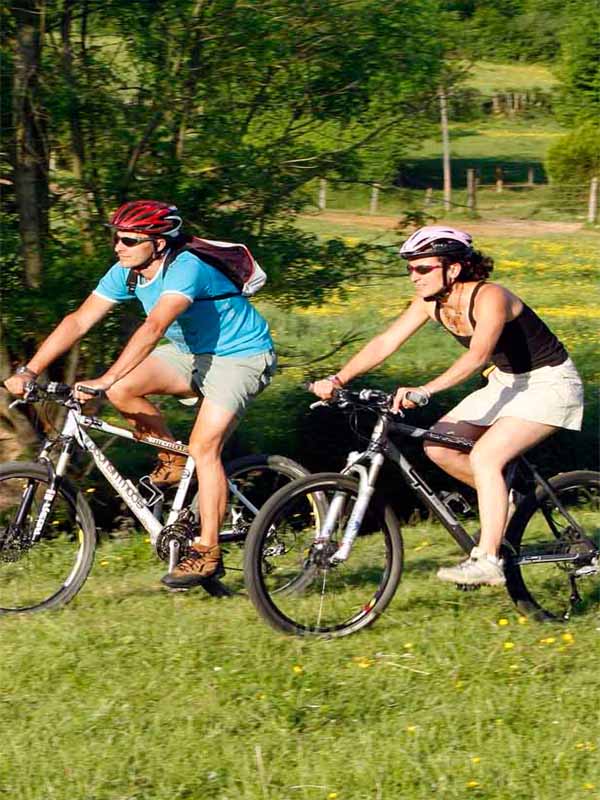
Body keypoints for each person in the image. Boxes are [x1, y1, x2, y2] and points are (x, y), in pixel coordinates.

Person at [4, 200, 276, 588]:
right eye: (117, 238)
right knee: (123, 389)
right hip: (191, 354)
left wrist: (104, 377)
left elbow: (153, 327)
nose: (119, 246)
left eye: (130, 240)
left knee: (204, 448)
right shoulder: (126, 273)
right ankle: (173, 458)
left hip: (241, 357)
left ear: (159, 243)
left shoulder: (185, 267)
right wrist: (30, 369)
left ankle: (207, 552)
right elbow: (78, 321)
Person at [311, 225, 584, 586]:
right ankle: (507, 503)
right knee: (438, 445)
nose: (414, 276)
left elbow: (477, 356)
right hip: (506, 381)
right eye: (410, 268)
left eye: (423, 268)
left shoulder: (490, 297)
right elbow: (386, 342)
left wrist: (426, 390)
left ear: (453, 269)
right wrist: (338, 379)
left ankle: (488, 560)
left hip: (550, 384)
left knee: (485, 457)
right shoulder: (430, 303)